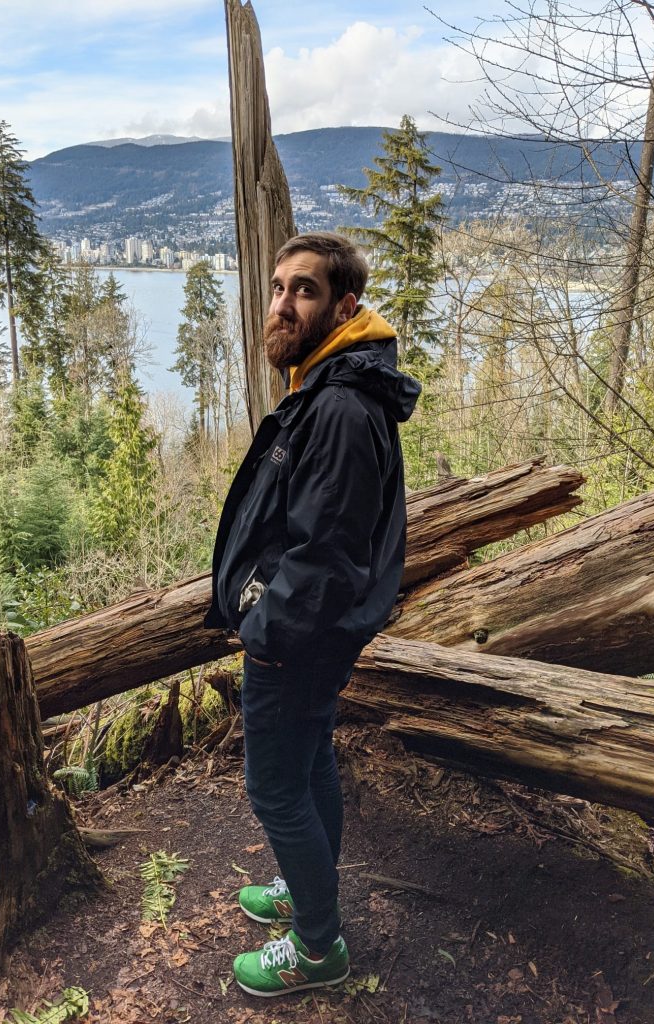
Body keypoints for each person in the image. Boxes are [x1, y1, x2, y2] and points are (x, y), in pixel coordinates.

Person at [204, 231, 421, 997]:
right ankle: (310, 892)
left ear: (345, 305)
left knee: (274, 788)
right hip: (310, 637)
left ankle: (319, 946)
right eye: (277, 287)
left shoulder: (336, 407)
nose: (283, 303)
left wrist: (264, 635)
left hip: (295, 640)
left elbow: (325, 554)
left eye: (304, 290)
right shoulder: (329, 386)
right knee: (310, 759)